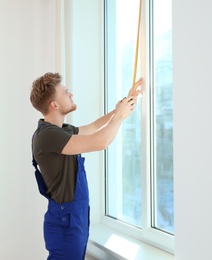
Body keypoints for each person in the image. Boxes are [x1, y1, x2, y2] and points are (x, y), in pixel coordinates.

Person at [30, 72, 142, 260]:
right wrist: (120, 117)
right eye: (66, 92)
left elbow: (93, 128)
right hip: (67, 220)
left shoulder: (61, 131)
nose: (71, 94)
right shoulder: (47, 135)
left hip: (73, 218)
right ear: (54, 105)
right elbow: (101, 142)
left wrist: (124, 104)